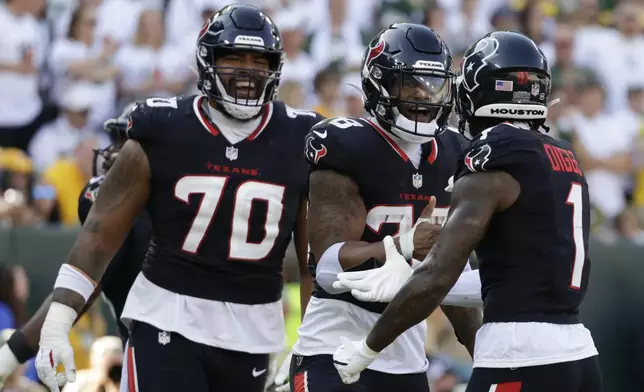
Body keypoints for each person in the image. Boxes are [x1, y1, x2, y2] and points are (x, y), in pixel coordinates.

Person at [33, 4, 321, 392]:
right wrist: (56, 324)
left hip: (252, 332)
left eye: (259, 59)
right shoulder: (164, 127)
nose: (248, 71)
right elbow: (99, 239)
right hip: (166, 317)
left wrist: (312, 346)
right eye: (233, 57)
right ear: (207, 61)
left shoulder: (301, 137)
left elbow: (311, 263)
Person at [332, 31, 601, 392]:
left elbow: (440, 272)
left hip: (518, 353)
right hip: (579, 354)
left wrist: (366, 349)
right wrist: (413, 279)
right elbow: (509, 279)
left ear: (477, 89)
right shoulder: (563, 155)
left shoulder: (494, 154)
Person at [284, 23, 482, 392]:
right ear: (381, 84)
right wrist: (401, 246)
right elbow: (326, 269)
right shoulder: (349, 145)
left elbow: (449, 280)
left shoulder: (455, 153)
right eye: (411, 85)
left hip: (406, 358)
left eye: (433, 85)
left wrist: (485, 358)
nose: (424, 98)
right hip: (334, 346)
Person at [0, 103, 148, 388]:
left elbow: (87, 283)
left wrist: (13, 353)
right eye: (116, 144)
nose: (113, 156)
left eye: (127, 146)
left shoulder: (157, 212)